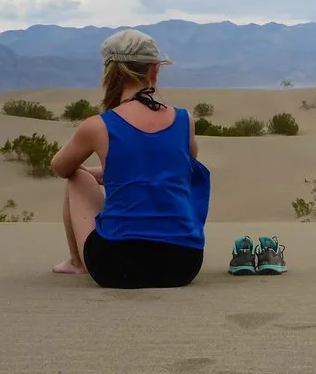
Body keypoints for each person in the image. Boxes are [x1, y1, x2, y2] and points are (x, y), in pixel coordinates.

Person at [49, 29, 210, 288]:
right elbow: (178, 168)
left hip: (115, 266)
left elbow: (60, 167)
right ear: (154, 71)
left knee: (77, 176)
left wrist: (96, 172)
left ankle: (76, 262)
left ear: (110, 73)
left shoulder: (97, 126)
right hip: (183, 264)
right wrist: (112, 173)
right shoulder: (184, 120)